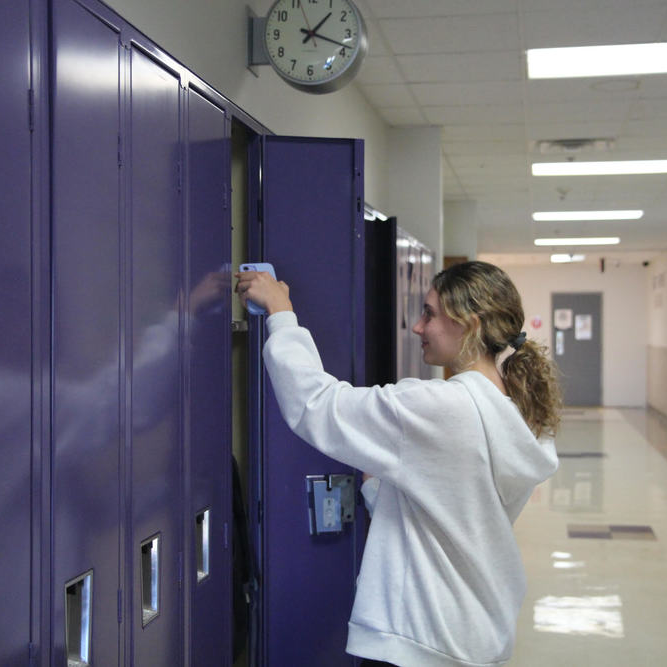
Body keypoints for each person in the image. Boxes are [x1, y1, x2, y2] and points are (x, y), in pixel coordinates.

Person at [235, 260, 561, 667]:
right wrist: (379, 488)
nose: (418, 327)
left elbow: (316, 404)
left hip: (420, 637)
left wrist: (281, 314)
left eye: (429, 314)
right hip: (475, 631)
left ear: (470, 325)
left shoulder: (441, 407)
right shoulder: (517, 411)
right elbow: (461, 508)